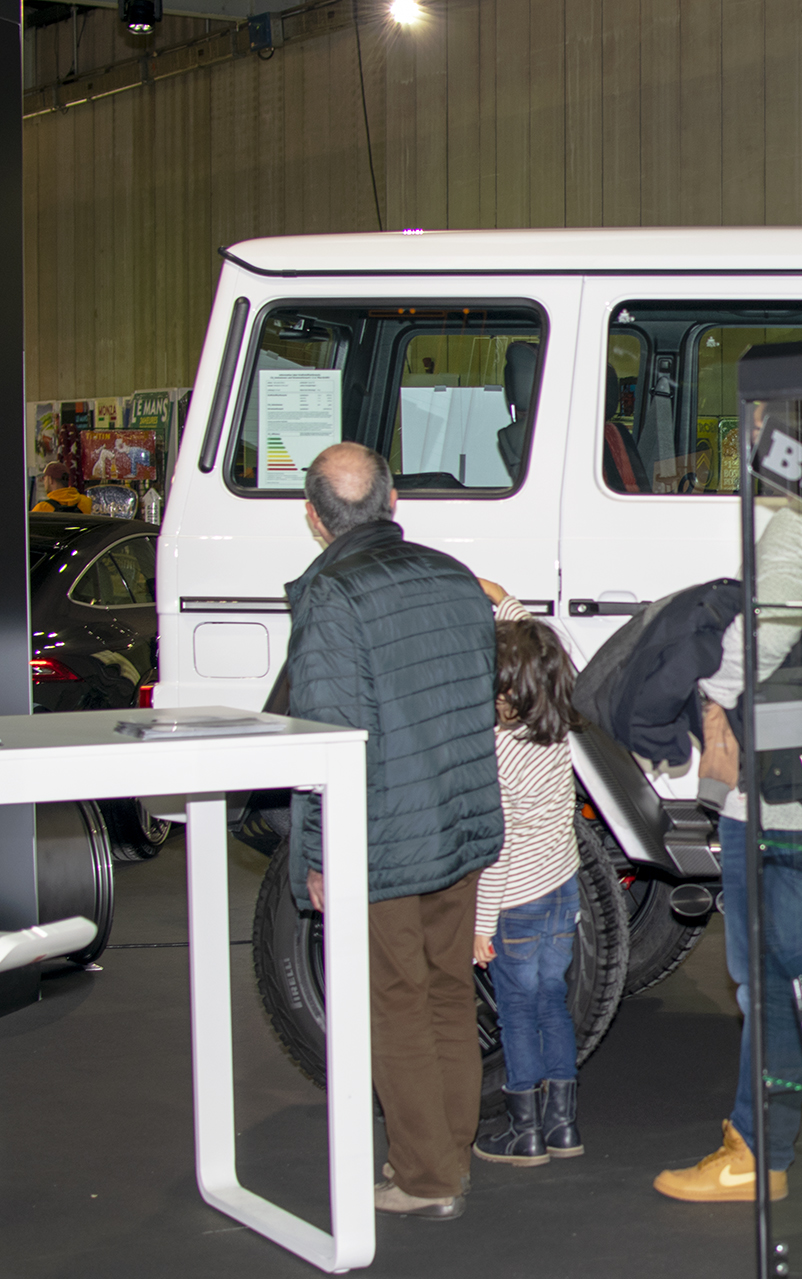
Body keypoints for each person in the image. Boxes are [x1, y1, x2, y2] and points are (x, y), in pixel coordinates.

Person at [653, 419, 802, 1204]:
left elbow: (757, 647)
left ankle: (759, 1150)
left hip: (784, 797)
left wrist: (697, 701)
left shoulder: (798, 527)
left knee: (773, 980)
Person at [284, 441, 503, 1221]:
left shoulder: (332, 595)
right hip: (462, 819)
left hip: (382, 837)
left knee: (395, 1000)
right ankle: (449, 1150)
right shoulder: (455, 578)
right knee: (447, 989)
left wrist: (316, 856)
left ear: (314, 517)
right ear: (393, 499)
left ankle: (425, 1176)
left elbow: (326, 737)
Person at [469, 586, 586, 1170]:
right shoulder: (556, 726)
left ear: (506, 690)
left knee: (517, 1012)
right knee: (551, 1005)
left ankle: (526, 1134)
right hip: (563, 890)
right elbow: (535, 644)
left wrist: (479, 927)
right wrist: (503, 598)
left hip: (516, 902)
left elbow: (496, 852)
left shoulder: (498, 752)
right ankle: (564, 1126)